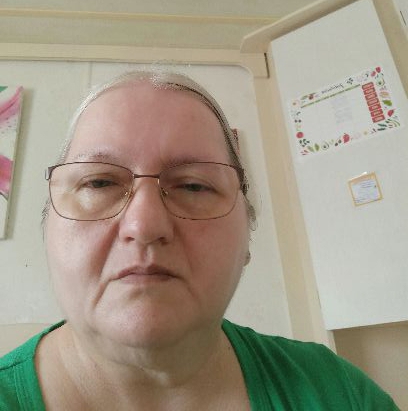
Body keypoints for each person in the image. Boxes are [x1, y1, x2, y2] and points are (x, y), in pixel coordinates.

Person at [0, 69, 400, 410]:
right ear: (47, 228)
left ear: (248, 236)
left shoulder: (339, 392)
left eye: (194, 186)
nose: (144, 224)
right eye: (99, 182)